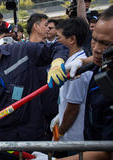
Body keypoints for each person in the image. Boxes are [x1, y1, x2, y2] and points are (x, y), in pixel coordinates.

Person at [0, 30, 68, 159]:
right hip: (2, 146)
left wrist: (57, 62)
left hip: (35, 137)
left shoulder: (21, 51)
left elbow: (57, 47)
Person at [34, 5, 113, 160]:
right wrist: (82, 62)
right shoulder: (101, 64)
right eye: (94, 40)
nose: (96, 49)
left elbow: (106, 152)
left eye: (105, 44)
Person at [50, 18, 92, 149]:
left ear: (72, 39)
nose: (56, 42)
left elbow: (73, 107)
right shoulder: (72, 62)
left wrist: (59, 133)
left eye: (59, 38)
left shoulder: (77, 68)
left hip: (75, 138)